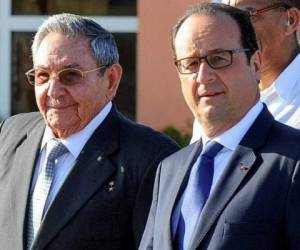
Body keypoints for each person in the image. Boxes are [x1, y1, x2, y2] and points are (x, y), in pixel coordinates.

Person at [0, 13, 179, 250]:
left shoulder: (154, 159)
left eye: (70, 76)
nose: (53, 91)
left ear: (111, 80)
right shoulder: (11, 133)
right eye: (43, 75)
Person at [139, 3, 300, 250]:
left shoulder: (292, 161)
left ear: (255, 64)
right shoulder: (169, 170)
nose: (203, 76)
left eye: (219, 59)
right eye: (190, 63)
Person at [190, 0, 300, 143]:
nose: (230, 31)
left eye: (244, 16)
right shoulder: (217, 95)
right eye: (225, 18)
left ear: (290, 20)